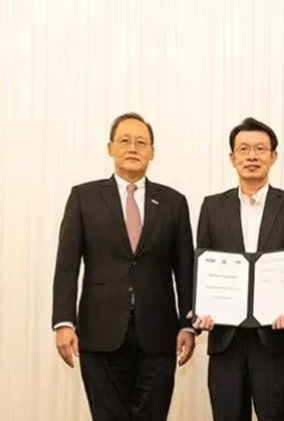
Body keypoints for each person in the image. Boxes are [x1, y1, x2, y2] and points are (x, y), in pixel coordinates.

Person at [51, 112, 196, 421]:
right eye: (125, 141)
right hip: (99, 332)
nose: (133, 148)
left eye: (141, 143)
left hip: (159, 335)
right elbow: (66, 265)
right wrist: (63, 322)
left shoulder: (174, 202)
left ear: (152, 152)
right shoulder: (84, 197)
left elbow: (185, 269)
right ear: (110, 148)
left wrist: (187, 324)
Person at [192, 117, 284, 421]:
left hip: (276, 339)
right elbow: (202, 267)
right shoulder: (212, 207)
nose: (252, 156)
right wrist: (202, 309)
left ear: (273, 156)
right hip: (225, 340)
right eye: (243, 149)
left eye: (260, 149)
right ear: (232, 158)